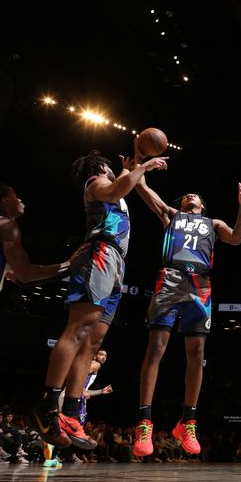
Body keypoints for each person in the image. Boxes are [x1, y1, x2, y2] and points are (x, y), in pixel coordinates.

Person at [31, 148, 168, 450]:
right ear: (100, 168)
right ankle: (48, 403)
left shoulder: (115, 187)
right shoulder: (94, 183)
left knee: (93, 342)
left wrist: (131, 168)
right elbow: (117, 187)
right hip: (99, 254)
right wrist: (142, 166)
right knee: (78, 330)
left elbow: (122, 186)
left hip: (116, 262)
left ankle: (70, 412)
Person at [0, 182, 81, 481]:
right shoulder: (6, 225)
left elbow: (15, 275)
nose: (21, 199)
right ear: (3, 202)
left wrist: (61, 268)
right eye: (15, 196)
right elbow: (26, 273)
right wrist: (69, 264)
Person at [131, 175, 241, 458]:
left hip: (200, 285)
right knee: (156, 347)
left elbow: (236, 239)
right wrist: (140, 169)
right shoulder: (172, 216)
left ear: (203, 205)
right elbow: (143, 190)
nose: (189, 196)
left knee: (197, 352)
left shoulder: (214, 224)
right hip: (170, 279)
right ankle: (144, 422)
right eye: (185, 194)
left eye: (194, 194)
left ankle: (188, 421)